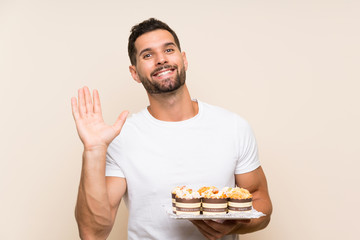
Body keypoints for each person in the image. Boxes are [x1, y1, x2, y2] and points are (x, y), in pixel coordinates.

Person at [71, 18, 272, 240]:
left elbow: (260, 200)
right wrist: (93, 150)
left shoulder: (233, 127)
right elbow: (92, 233)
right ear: (134, 73)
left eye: (168, 49)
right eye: (147, 55)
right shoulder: (121, 138)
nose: (161, 59)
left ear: (183, 59)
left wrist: (235, 226)